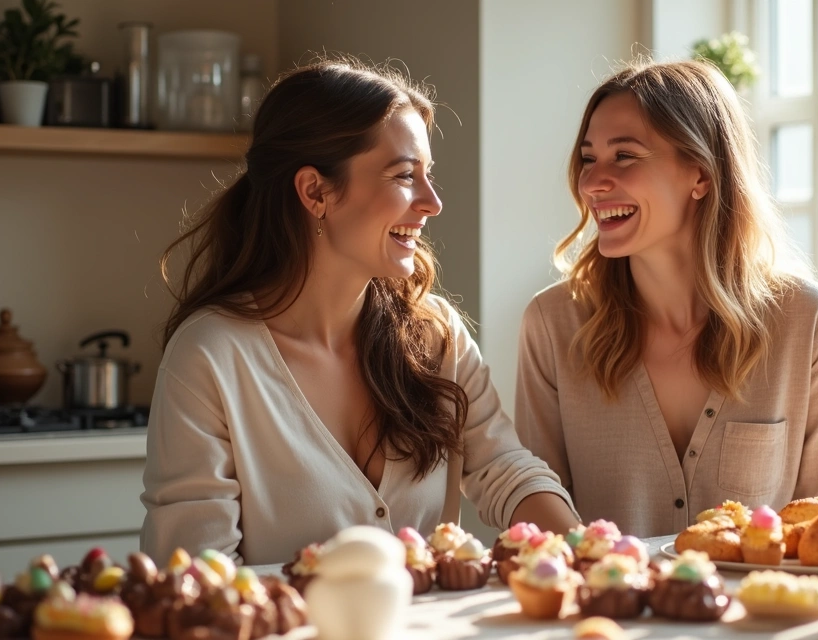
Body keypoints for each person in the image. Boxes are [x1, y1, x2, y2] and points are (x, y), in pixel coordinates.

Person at [141, 57, 579, 565]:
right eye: (404, 176)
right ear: (315, 191)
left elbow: (505, 468)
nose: (433, 202)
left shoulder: (435, 333)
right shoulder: (211, 356)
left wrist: (591, 554)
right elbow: (200, 574)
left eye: (428, 176)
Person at [514, 59, 818, 538]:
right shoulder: (553, 324)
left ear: (700, 174)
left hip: (767, 612)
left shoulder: (809, 322)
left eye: (624, 156)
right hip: (606, 613)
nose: (592, 182)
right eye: (588, 158)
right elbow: (540, 534)